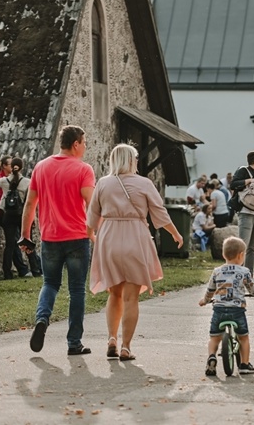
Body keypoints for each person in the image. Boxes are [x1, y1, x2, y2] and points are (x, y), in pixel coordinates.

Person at [87, 144, 184, 361]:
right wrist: (176, 234)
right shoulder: (144, 183)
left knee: (114, 293)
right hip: (135, 236)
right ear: (132, 160)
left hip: (109, 237)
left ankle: (111, 338)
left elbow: (92, 215)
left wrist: (91, 235)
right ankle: (126, 347)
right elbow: (160, 213)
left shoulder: (103, 183)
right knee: (131, 298)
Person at [21, 125, 95, 356]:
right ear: (75, 144)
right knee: (77, 291)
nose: (85, 147)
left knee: (50, 284)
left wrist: (25, 236)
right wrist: (95, 234)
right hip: (77, 238)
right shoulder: (84, 169)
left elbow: (30, 205)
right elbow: (92, 206)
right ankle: (74, 343)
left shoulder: (41, 167)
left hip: (50, 238)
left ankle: (42, 319)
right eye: (84, 143)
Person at [199, 236, 254, 376]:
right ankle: (244, 365)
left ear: (223, 254)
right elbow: (252, 289)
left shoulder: (217, 271)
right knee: (243, 338)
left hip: (219, 310)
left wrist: (204, 300)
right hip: (237, 310)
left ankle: (211, 356)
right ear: (241, 255)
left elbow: (210, 290)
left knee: (214, 338)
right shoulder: (244, 272)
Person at [0, 157, 40, 278]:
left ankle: (7, 273)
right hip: (21, 215)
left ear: (11, 168)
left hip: (8, 216)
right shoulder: (27, 182)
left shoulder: (4, 180)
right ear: (21, 168)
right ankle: (36, 270)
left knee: (10, 245)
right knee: (27, 241)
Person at [231, 150, 254, 287]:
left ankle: (249, 278)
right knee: (242, 246)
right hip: (245, 213)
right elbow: (233, 184)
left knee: (252, 248)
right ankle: (238, 278)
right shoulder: (243, 170)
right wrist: (249, 181)